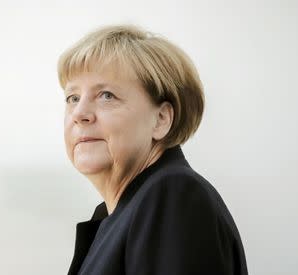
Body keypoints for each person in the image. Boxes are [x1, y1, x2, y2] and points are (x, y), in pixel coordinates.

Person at [57, 25, 248, 275]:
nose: (79, 114)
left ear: (161, 120)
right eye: (72, 98)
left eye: (106, 95)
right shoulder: (118, 214)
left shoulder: (173, 194)